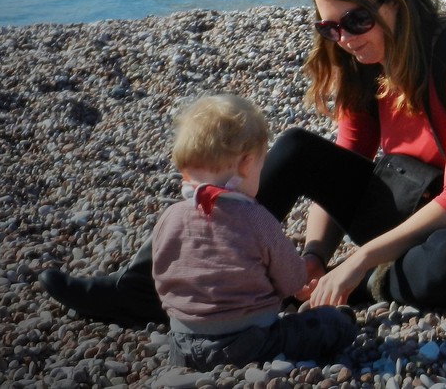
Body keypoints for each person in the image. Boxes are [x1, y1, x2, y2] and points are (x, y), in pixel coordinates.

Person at [40, 0, 446, 325]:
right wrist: (314, 255)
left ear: (392, 1)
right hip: (411, 210)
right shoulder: (364, 60)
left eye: (356, 20)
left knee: (445, 263)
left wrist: (358, 261)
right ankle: (144, 291)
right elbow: (339, 162)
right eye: (330, 28)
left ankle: (351, 287)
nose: (344, 38)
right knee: (297, 149)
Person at [151, 94, 356, 370]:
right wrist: (298, 284)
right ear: (247, 164)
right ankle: (340, 321)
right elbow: (292, 279)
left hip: (182, 341)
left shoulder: (170, 217)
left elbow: (161, 272)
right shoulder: (255, 218)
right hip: (249, 342)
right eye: (261, 166)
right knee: (330, 325)